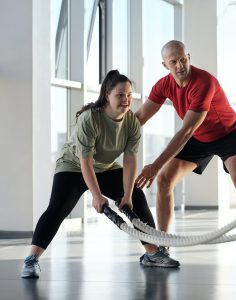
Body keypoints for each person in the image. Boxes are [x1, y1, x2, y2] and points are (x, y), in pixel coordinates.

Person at [21, 70, 179, 279]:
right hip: (74, 165)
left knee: (138, 197)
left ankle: (152, 254)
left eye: (129, 95)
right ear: (107, 95)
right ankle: (31, 260)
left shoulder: (131, 122)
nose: (126, 100)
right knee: (58, 208)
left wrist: (128, 194)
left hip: (104, 166)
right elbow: (85, 162)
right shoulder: (90, 118)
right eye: (120, 95)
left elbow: (130, 160)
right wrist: (96, 196)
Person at [134, 40, 236, 267]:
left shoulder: (204, 82)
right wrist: (106, 128)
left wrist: (155, 164)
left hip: (228, 134)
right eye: (173, 62)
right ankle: (161, 249)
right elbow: (139, 118)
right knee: (164, 180)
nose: (179, 65)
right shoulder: (163, 85)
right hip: (199, 138)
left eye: (183, 59)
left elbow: (187, 131)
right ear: (164, 65)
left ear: (188, 57)